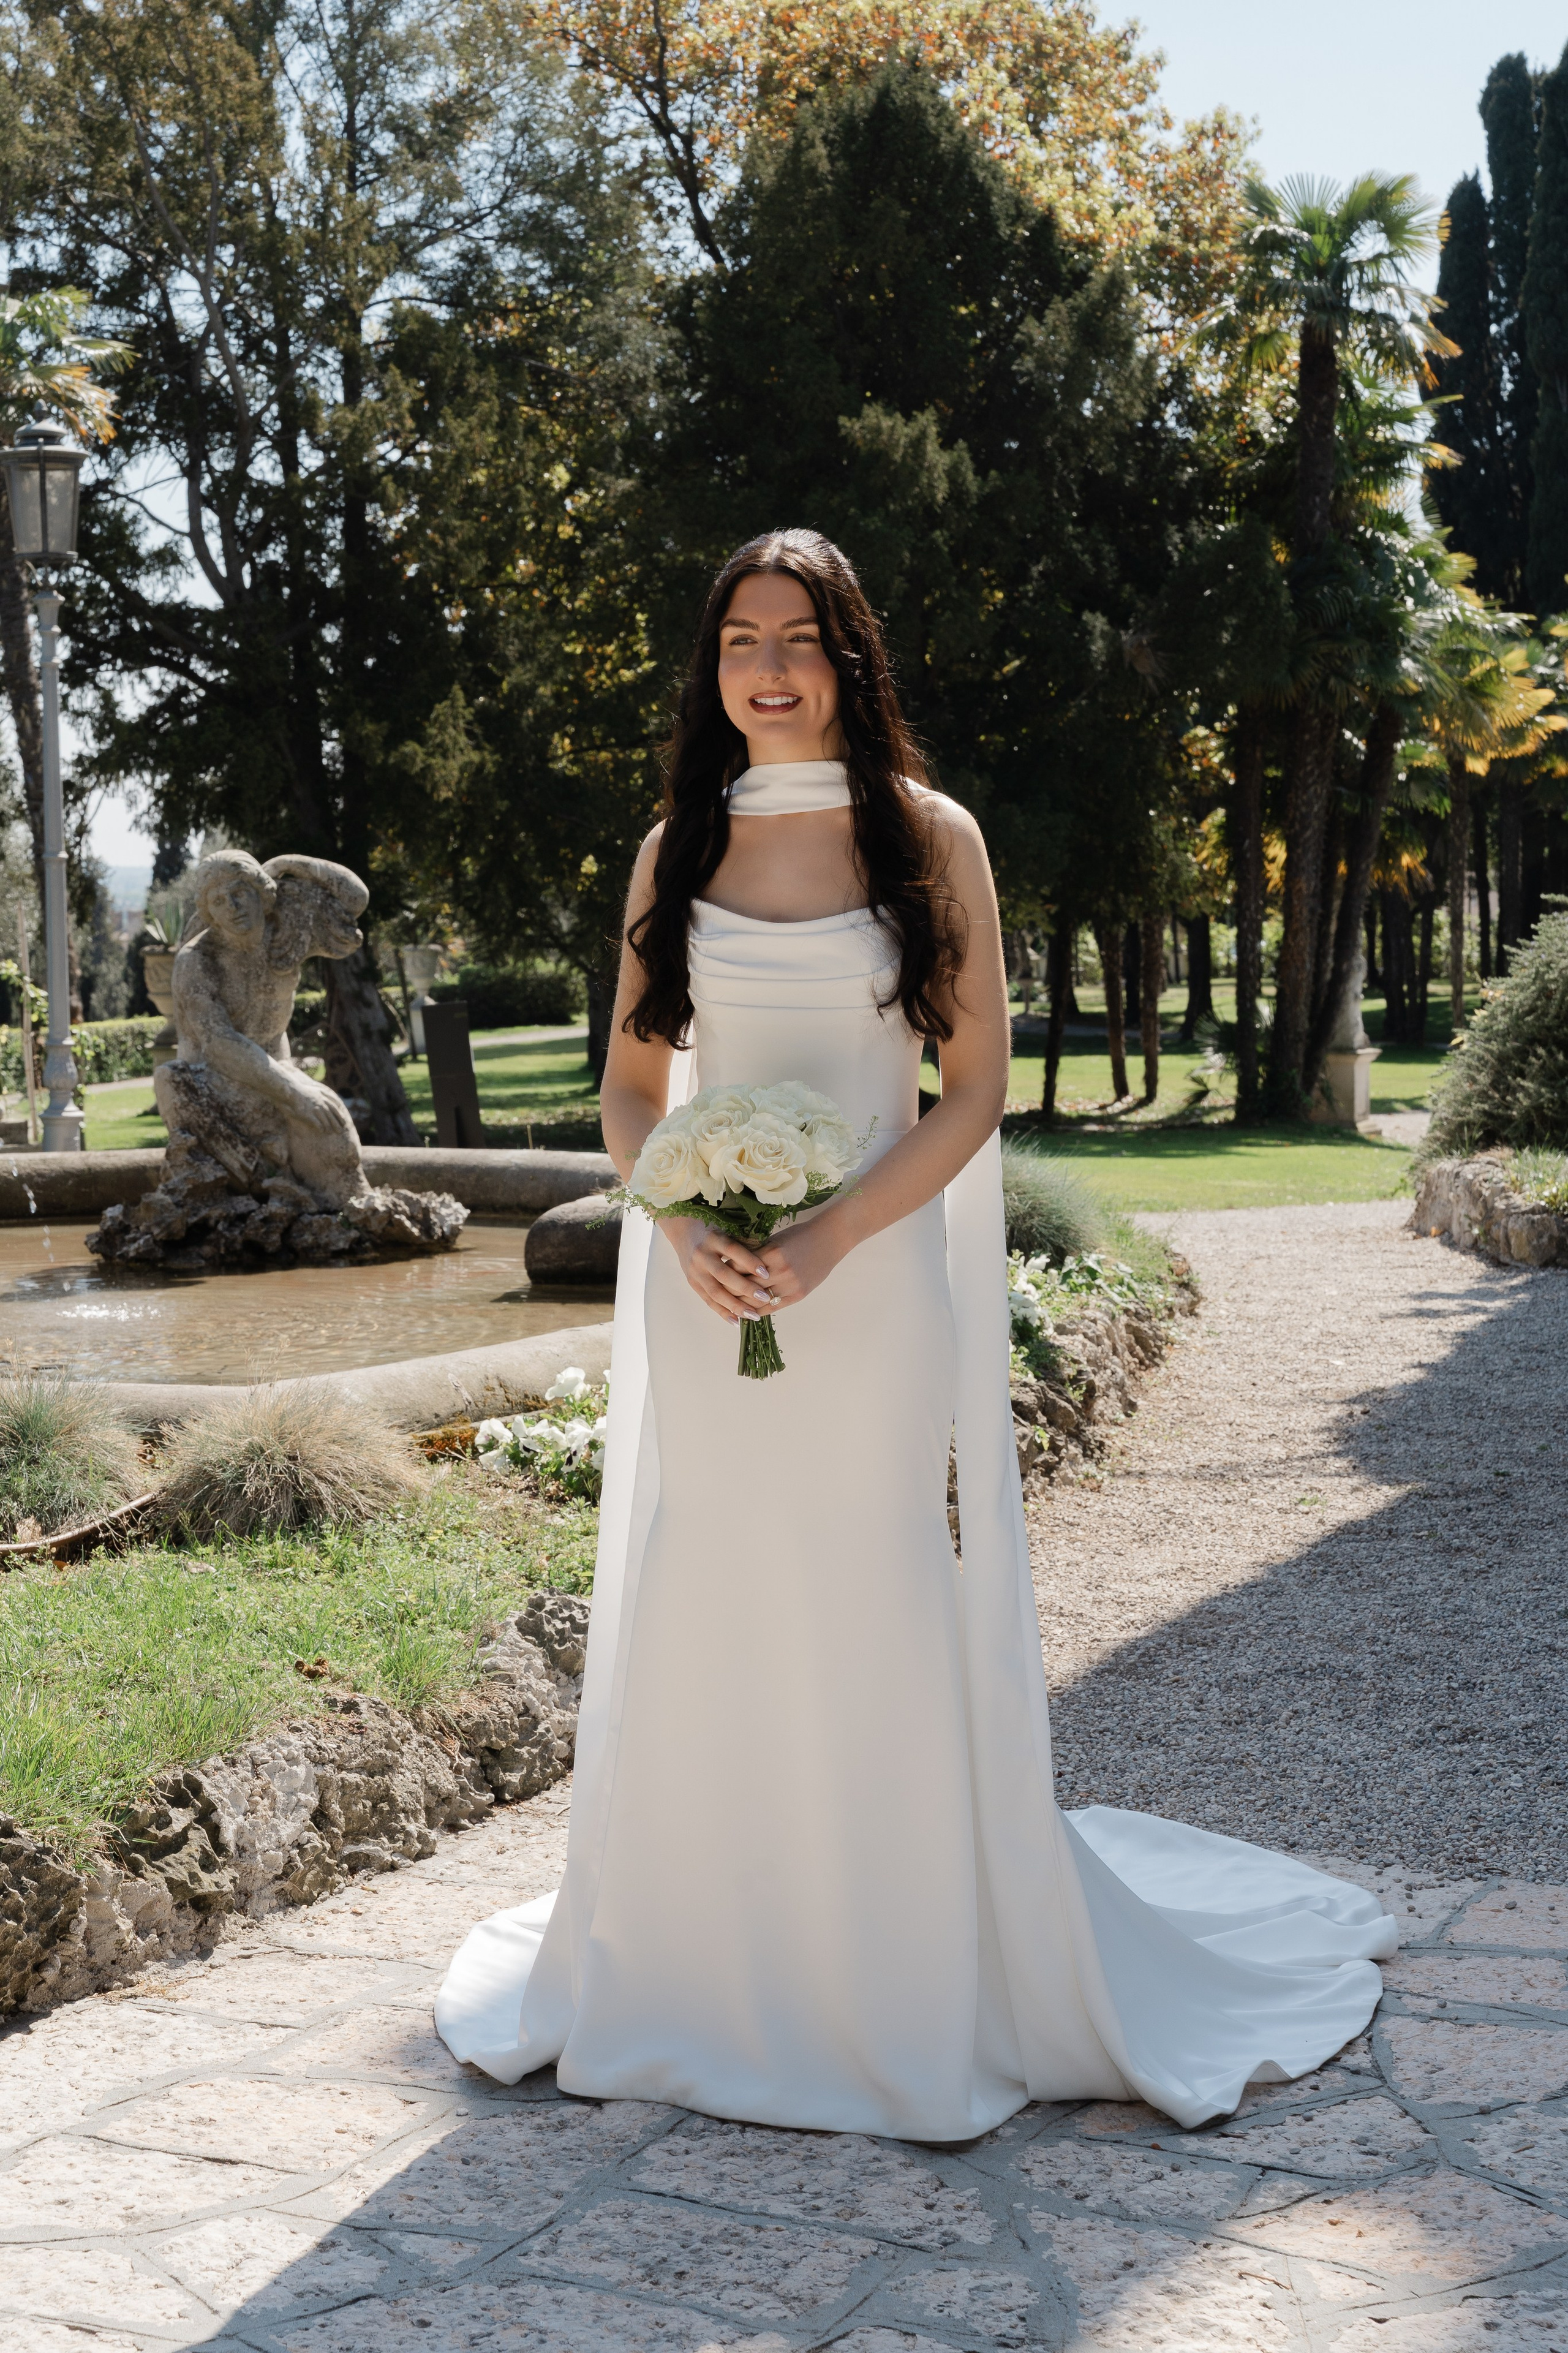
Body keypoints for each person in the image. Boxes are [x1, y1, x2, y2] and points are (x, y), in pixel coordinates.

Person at [435, 528, 1394, 2138]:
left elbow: (975, 1096)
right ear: (713, 668)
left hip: (868, 1290)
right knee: (710, 1589)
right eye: (739, 637)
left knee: (868, 1587)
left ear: (851, 657)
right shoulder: (675, 847)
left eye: (797, 636)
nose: (767, 665)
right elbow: (627, 1079)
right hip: (709, 1295)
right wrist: (679, 1218)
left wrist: (824, 1232)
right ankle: (695, 1969)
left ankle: (886, 1986)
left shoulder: (931, 840)